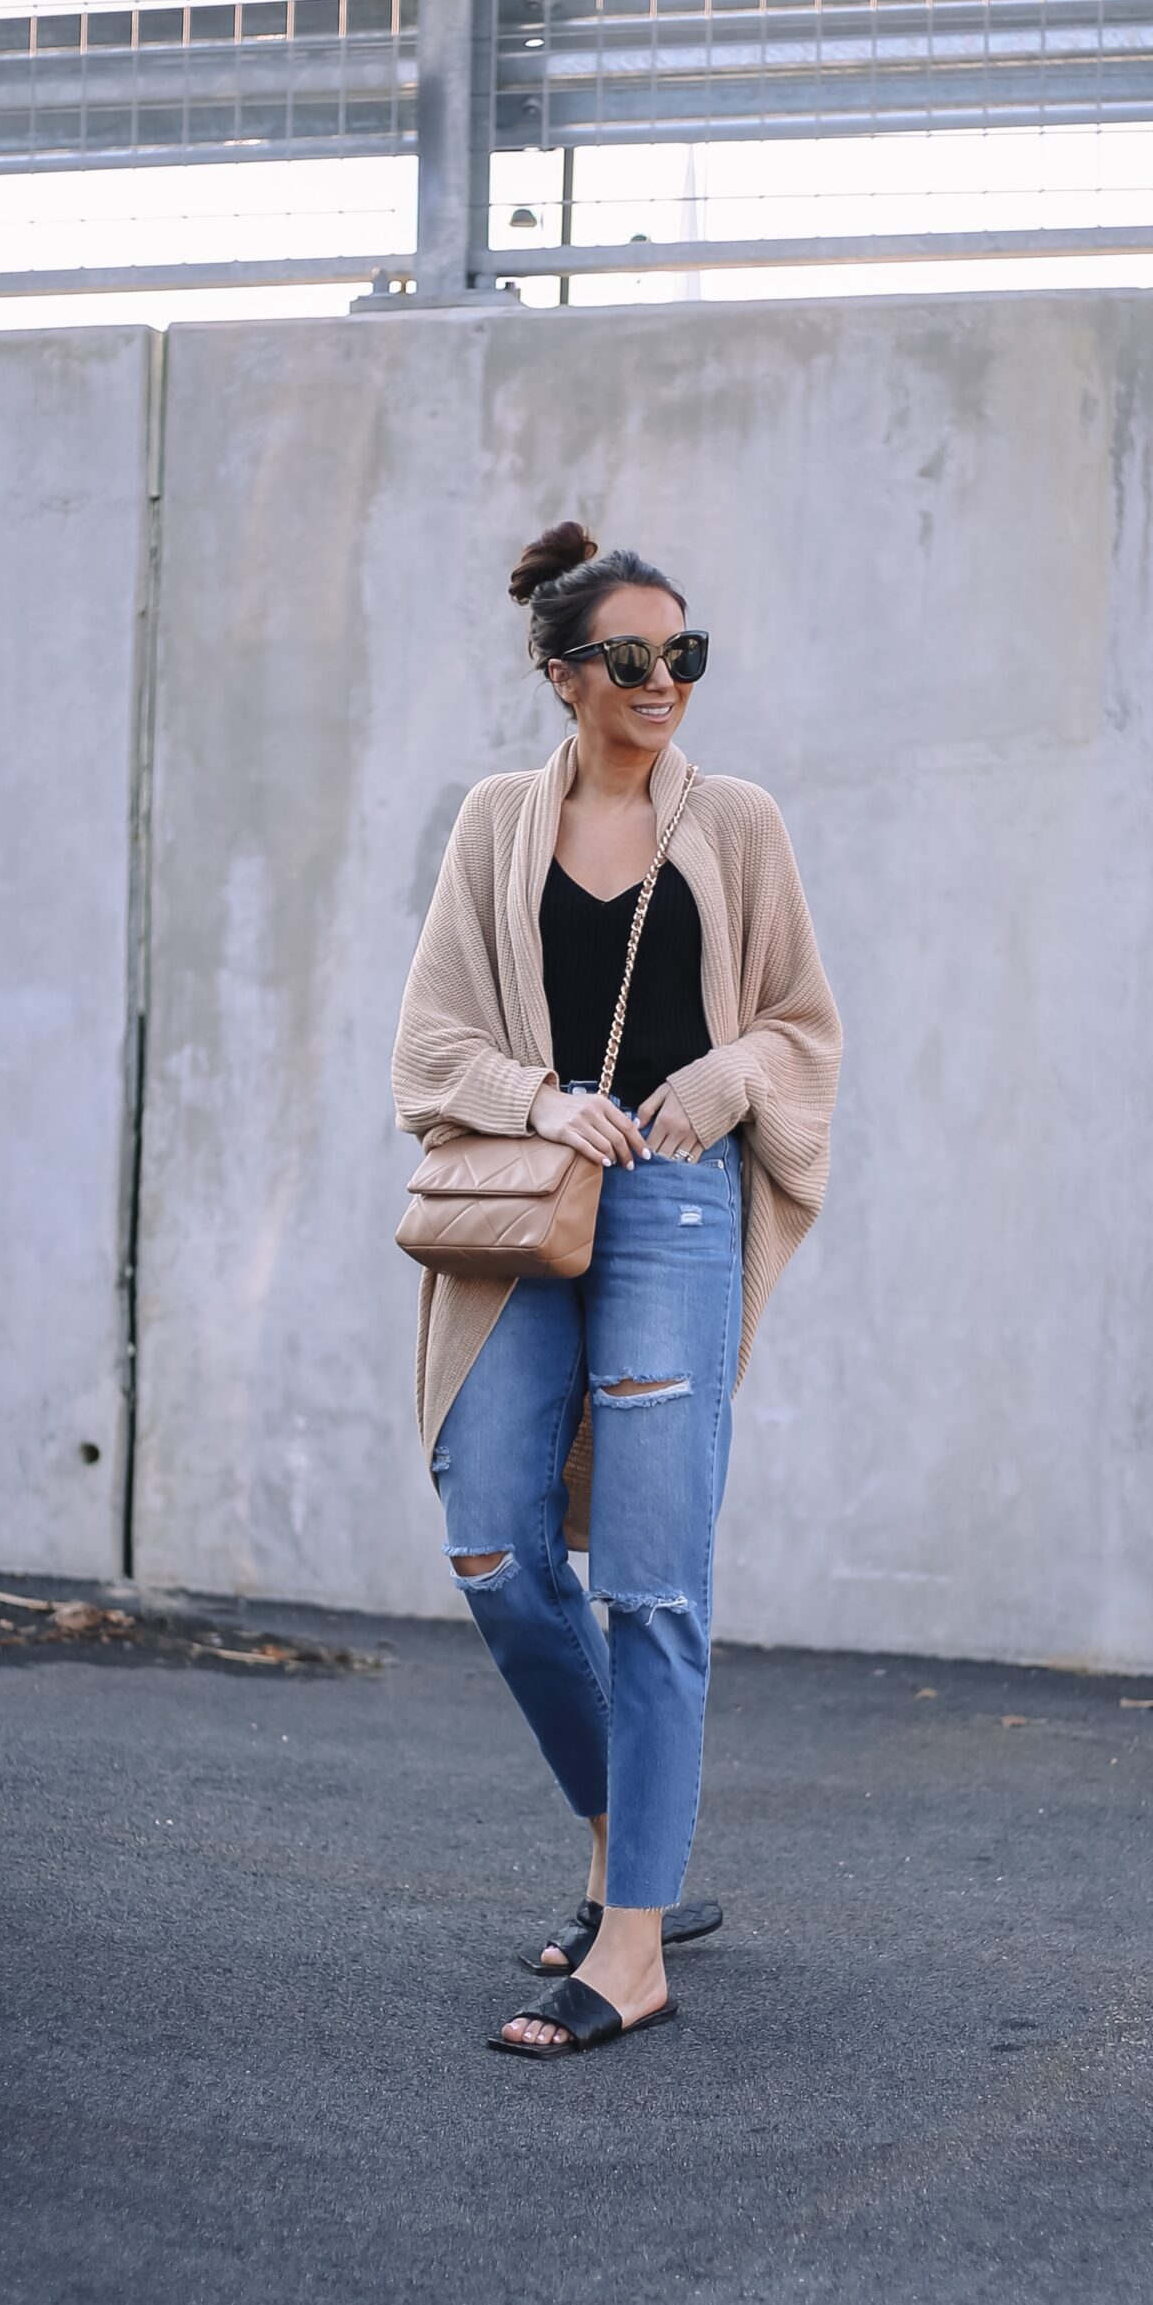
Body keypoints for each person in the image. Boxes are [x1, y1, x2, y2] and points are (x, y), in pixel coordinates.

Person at [391, 521, 843, 2058]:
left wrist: (724, 1075)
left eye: (687, 658)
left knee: (650, 1582)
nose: (667, 684)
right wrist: (535, 1097)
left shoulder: (740, 825)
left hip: (672, 1210)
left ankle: (633, 1941)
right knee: (493, 1548)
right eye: (637, 661)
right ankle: (623, 1838)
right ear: (565, 674)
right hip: (532, 1208)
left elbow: (801, 1026)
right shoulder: (496, 826)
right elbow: (431, 1046)